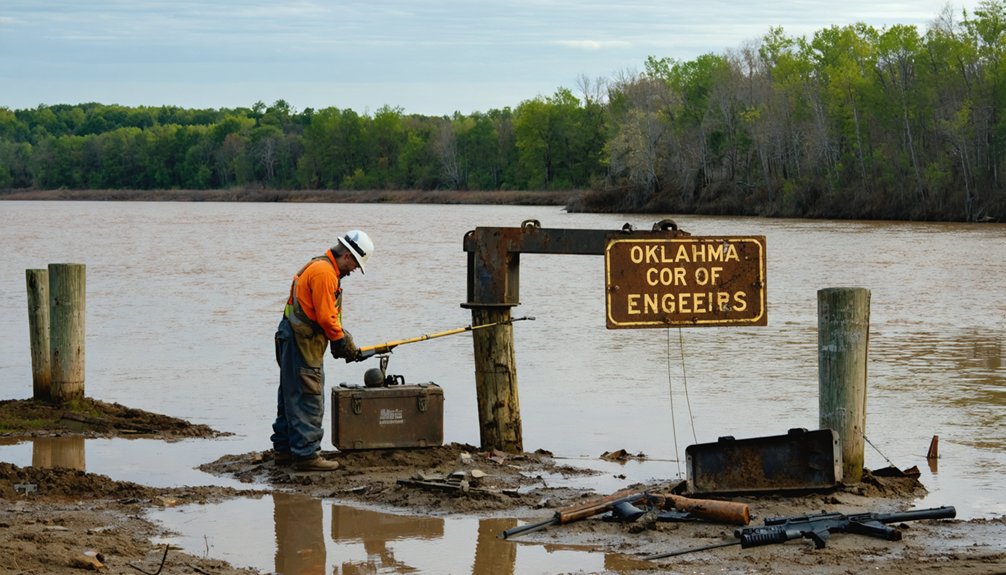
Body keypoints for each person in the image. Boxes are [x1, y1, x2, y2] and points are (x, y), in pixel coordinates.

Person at [271, 230, 374, 471]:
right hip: (301, 342)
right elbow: (327, 318)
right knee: (308, 396)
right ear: (348, 256)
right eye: (355, 265)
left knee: (290, 394)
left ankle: (285, 451)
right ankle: (306, 455)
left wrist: (340, 338)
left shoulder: (319, 265)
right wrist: (342, 342)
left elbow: (324, 314)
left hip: (293, 338)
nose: (353, 271)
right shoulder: (325, 273)